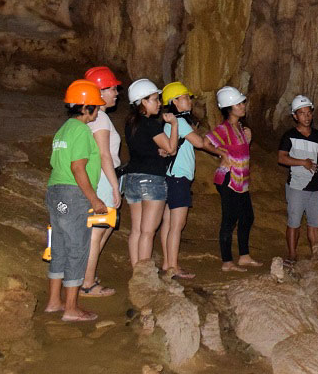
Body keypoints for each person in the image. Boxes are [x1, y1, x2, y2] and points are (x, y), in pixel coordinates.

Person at [45, 79, 109, 322]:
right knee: (76, 248)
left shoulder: (63, 130)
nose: (98, 110)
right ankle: (71, 307)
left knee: (59, 246)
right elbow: (78, 167)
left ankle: (54, 302)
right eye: (96, 106)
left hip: (55, 192)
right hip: (73, 194)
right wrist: (94, 199)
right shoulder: (82, 131)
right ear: (86, 107)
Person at [157, 81, 226, 279]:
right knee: (177, 224)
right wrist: (219, 150)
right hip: (179, 178)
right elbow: (199, 142)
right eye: (186, 97)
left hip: (170, 177)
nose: (189, 100)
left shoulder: (168, 122)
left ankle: (167, 264)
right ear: (175, 102)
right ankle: (174, 266)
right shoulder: (180, 122)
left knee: (168, 223)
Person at [122, 78, 178, 271]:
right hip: (151, 180)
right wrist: (174, 124)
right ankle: (144, 277)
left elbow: (144, 148)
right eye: (155, 99)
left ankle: (136, 271)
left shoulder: (131, 124)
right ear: (143, 102)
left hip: (132, 179)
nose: (159, 103)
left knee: (136, 230)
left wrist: (157, 152)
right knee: (148, 231)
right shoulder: (151, 124)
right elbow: (171, 148)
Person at [206, 85, 261, 272]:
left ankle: (244, 256)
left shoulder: (241, 128)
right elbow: (206, 142)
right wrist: (221, 154)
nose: (243, 106)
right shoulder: (224, 128)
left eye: (242, 103)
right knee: (229, 219)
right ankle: (227, 261)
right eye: (239, 104)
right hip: (228, 178)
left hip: (242, 180)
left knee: (247, 216)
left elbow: (241, 151)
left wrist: (249, 139)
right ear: (229, 107)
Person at [79, 65, 122, 297]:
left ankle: (87, 276)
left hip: (100, 177)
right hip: (105, 179)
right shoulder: (101, 118)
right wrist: (115, 185)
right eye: (112, 89)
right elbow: (105, 154)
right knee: (97, 231)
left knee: (102, 229)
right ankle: (87, 285)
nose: (116, 93)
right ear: (100, 91)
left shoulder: (92, 117)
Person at [277, 94, 318, 265]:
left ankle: (317, 255)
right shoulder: (289, 136)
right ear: (295, 116)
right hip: (296, 185)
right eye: (302, 113)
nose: (306, 116)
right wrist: (302, 162)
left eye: (308, 112)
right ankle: (292, 256)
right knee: (294, 222)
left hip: (316, 186)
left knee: (315, 222)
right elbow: (281, 158)